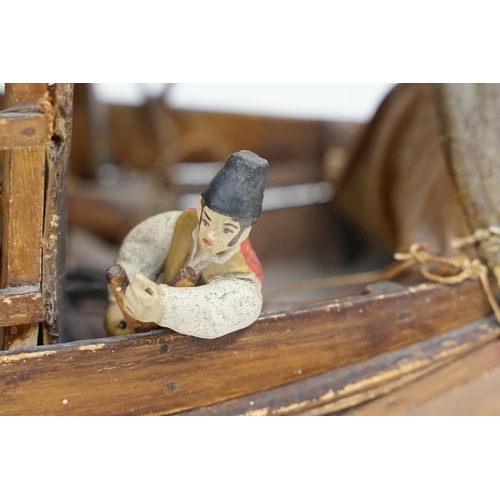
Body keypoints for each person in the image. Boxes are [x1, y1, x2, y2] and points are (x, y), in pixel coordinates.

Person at [104, 150, 269, 339]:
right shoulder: (178, 225)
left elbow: (221, 309)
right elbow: (141, 249)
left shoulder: (243, 276)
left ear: (245, 232)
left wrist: (162, 306)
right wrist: (122, 304)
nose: (211, 234)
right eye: (206, 221)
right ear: (200, 206)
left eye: (227, 230)